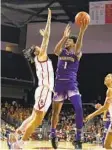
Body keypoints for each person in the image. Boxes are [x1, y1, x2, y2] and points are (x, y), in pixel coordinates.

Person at [7, 8, 54, 150]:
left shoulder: (39, 59)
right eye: (38, 47)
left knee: (34, 117)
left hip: (43, 91)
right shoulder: (41, 56)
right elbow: (46, 38)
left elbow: (45, 40)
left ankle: (15, 135)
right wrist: (49, 20)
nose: (41, 47)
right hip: (44, 90)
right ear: (37, 51)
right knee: (37, 120)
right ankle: (19, 144)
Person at [50, 22, 88, 149]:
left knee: (79, 108)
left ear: (74, 43)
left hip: (71, 84)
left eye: (69, 41)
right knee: (55, 112)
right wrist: (64, 37)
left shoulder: (76, 54)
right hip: (59, 84)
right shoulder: (61, 53)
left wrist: (82, 31)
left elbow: (78, 47)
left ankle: (78, 138)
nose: (67, 43)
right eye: (67, 41)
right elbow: (55, 50)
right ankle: (53, 134)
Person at [86, 73, 112, 149]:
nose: (105, 78)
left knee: (107, 145)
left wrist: (91, 115)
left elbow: (105, 107)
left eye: (108, 77)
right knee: (107, 145)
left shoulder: (110, 90)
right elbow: (106, 107)